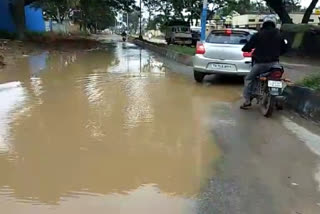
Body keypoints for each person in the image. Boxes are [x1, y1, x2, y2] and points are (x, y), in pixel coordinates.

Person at [240, 15, 288, 109]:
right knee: (278, 78)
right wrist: (278, 53)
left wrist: (246, 49)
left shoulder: (258, 34)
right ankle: (278, 98)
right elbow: (285, 49)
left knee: (248, 79)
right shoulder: (280, 35)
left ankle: (247, 101)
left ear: (264, 23)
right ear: (274, 24)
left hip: (260, 64)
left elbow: (247, 47)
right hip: (275, 64)